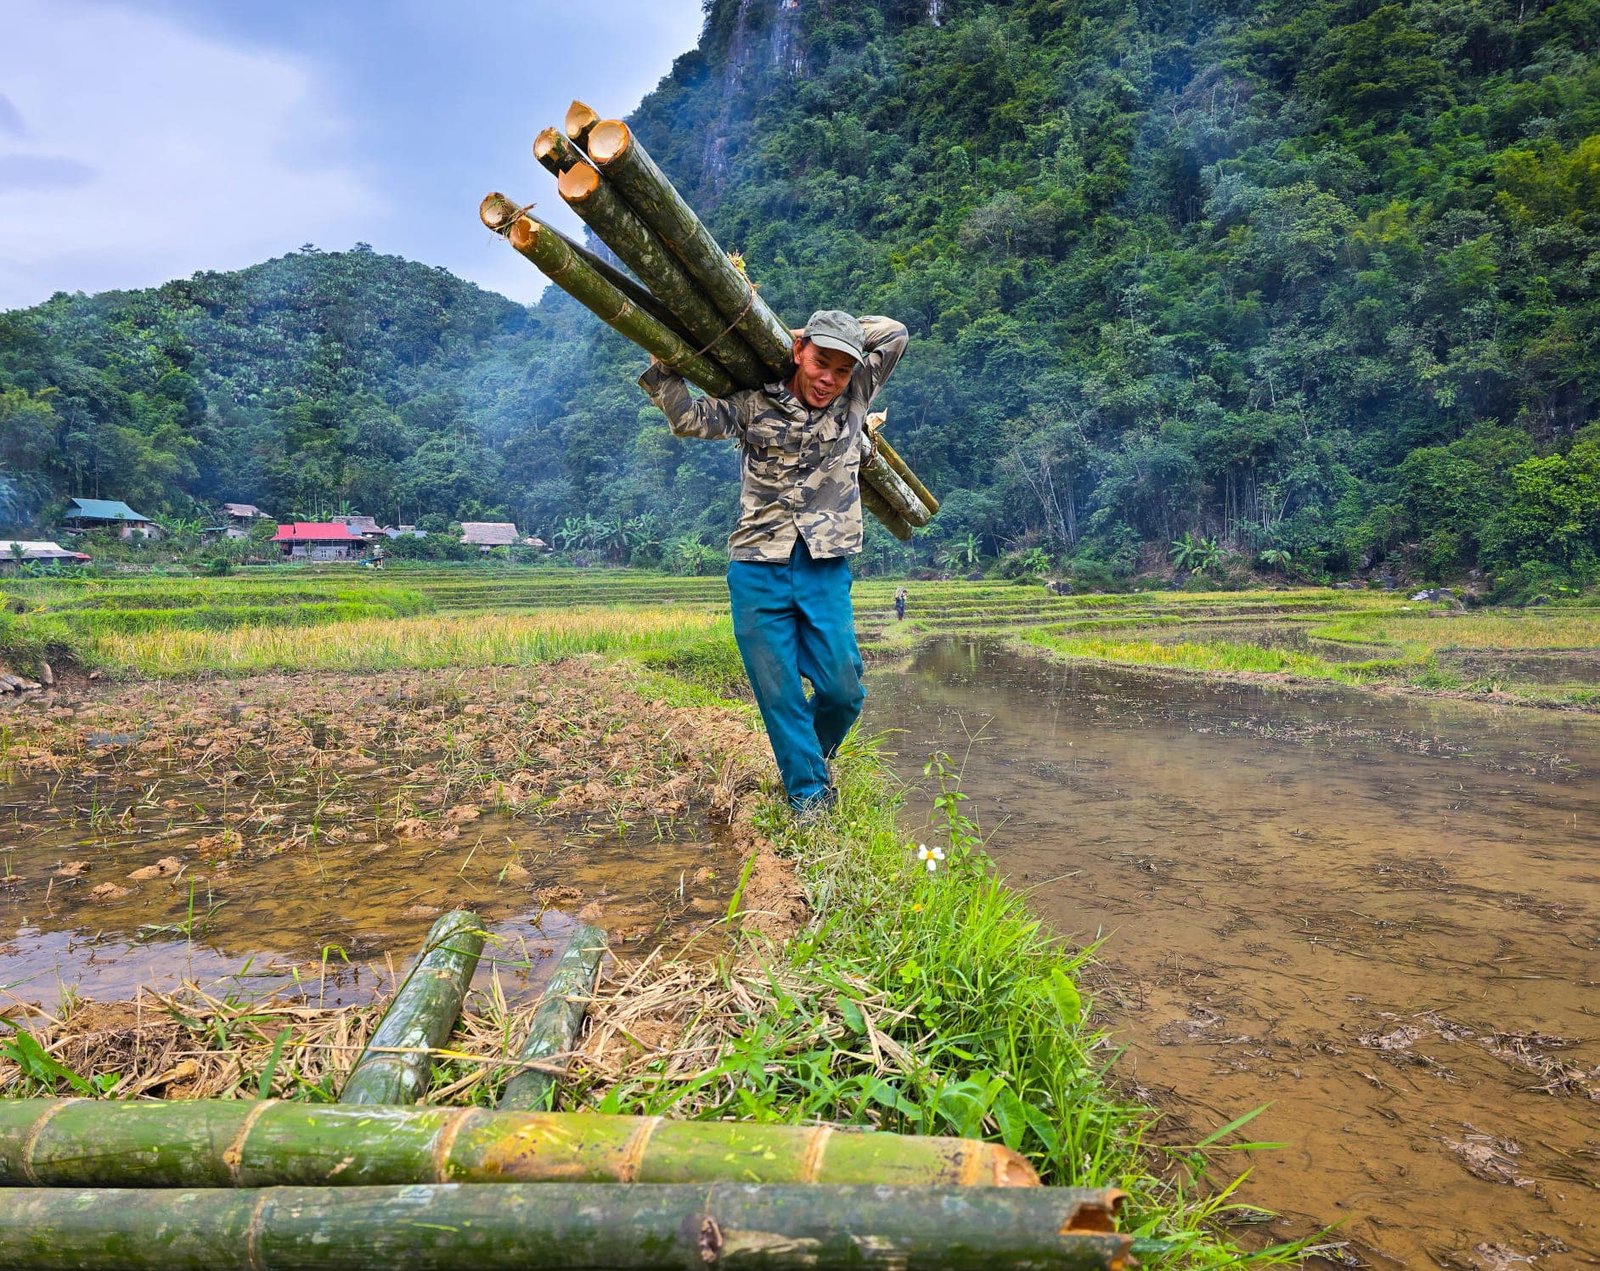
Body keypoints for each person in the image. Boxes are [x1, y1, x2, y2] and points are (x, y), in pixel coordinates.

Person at [639, 310, 909, 820]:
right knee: (780, 693)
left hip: (824, 565)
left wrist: (837, 335)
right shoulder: (751, 405)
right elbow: (688, 420)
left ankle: (807, 764)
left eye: (842, 369)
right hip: (757, 567)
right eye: (820, 362)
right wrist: (663, 371)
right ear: (798, 351)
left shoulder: (857, 396)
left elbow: (894, 333)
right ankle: (808, 797)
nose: (829, 379)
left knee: (843, 689)